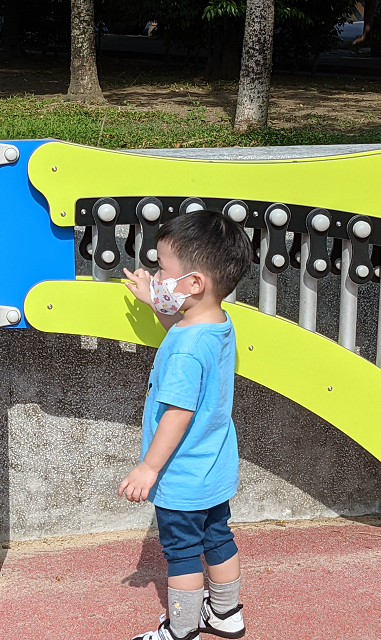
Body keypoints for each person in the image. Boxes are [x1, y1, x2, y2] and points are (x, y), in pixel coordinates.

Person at [120, 209, 253, 640]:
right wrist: (153, 299)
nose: (156, 276)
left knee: (181, 555)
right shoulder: (215, 325)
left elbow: (178, 413)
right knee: (218, 539)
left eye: (162, 270)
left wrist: (149, 468)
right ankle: (227, 613)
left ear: (194, 284)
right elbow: (178, 326)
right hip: (214, 466)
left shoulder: (184, 353)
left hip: (180, 475)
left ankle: (181, 630)